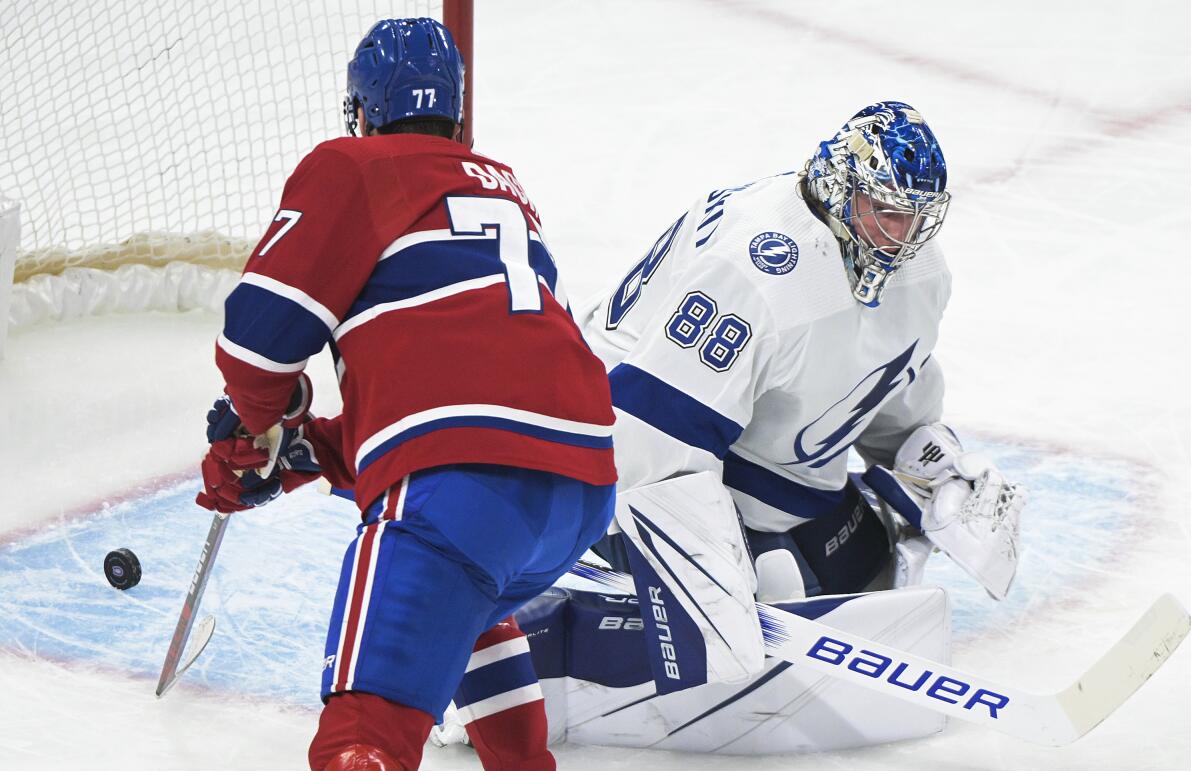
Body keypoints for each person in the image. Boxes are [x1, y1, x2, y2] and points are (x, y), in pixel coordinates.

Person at [194, 18, 616, 771]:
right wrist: (295, 451)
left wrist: (256, 423)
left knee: (364, 738)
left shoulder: (354, 167)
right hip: (578, 486)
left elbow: (256, 344)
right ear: (453, 110)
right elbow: (457, 400)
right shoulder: (503, 189)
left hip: (461, 476)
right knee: (465, 602)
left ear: (362, 109)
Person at [578, 101, 1026, 627]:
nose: (902, 237)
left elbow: (882, 375)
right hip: (621, 451)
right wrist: (698, 557)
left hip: (768, 463)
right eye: (886, 211)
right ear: (840, 186)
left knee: (874, 575)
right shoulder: (757, 269)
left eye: (916, 217)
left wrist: (931, 464)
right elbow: (652, 424)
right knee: (777, 588)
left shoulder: (920, 270)